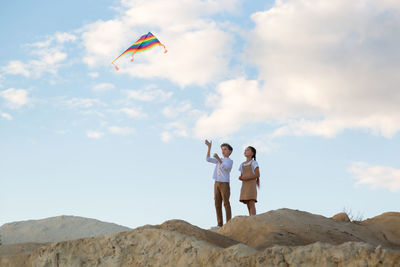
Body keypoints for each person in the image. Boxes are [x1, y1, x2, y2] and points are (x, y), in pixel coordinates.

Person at [205, 139, 233, 228]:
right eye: (222, 149)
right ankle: (219, 224)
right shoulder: (219, 159)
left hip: (224, 183)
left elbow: (225, 168)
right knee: (217, 203)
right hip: (216, 182)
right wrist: (209, 147)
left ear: (230, 151)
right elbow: (208, 159)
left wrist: (218, 159)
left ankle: (229, 223)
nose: (223, 151)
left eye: (225, 149)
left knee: (226, 203)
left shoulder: (229, 161)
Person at [239, 146, 260, 216]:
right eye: (245, 150)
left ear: (252, 153)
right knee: (247, 202)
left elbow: (257, 174)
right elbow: (242, 175)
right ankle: (250, 217)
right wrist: (241, 178)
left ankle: (253, 218)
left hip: (251, 185)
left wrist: (246, 178)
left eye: (247, 150)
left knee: (251, 202)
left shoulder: (254, 163)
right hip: (245, 185)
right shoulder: (242, 164)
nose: (245, 151)